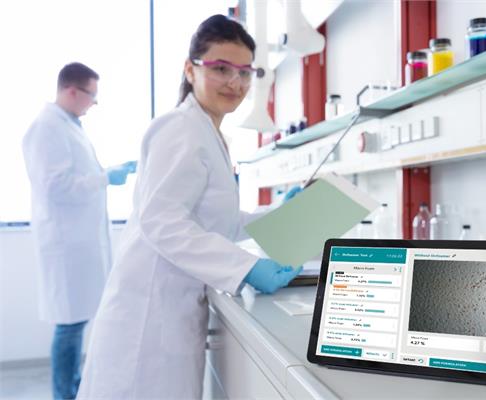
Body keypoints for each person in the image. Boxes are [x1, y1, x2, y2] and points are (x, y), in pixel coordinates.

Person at [77, 15, 302, 399]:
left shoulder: (208, 132)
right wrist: (244, 267)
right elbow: (162, 220)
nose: (236, 82)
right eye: (221, 69)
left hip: (170, 312)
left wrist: (281, 215)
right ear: (190, 68)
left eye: (246, 72)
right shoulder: (179, 128)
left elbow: (216, 222)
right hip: (146, 318)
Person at [21, 62, 137, 400]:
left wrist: (108, 171)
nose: (93, 103)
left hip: (77, 244)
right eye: (92, 96)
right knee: (69, 326)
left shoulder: (69, 125)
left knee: (76, 323)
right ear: (72, 91)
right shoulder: (45, 127)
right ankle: (63, 395)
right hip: (64, 244)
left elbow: (75, 175)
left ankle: (71, 390)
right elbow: (55, 186)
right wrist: (104, 178)